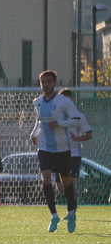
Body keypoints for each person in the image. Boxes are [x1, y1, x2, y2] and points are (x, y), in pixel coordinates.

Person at [30, 70, 82, 233]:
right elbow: (40, 122)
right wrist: (34, 134)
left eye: (49, 82)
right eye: (43, 82)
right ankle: (54, 216)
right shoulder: (37, 102)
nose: (46, 85)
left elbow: (76, 121)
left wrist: (59, 123)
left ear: (54, 83)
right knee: (46, 179)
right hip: (44, 147)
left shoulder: (63, 102)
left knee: (65, 183)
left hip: (62, 148)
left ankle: (71, 213)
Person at [53, 88, 93, 212]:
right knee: (60, 187)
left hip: (74, 155)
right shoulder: (55, 117)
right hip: (59, 154)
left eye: (66, 99)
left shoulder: (78, 116)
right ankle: (74, 198)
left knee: (70, 183)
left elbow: (89, 134)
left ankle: (72, 211)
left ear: (71, 100)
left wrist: (77, 138)